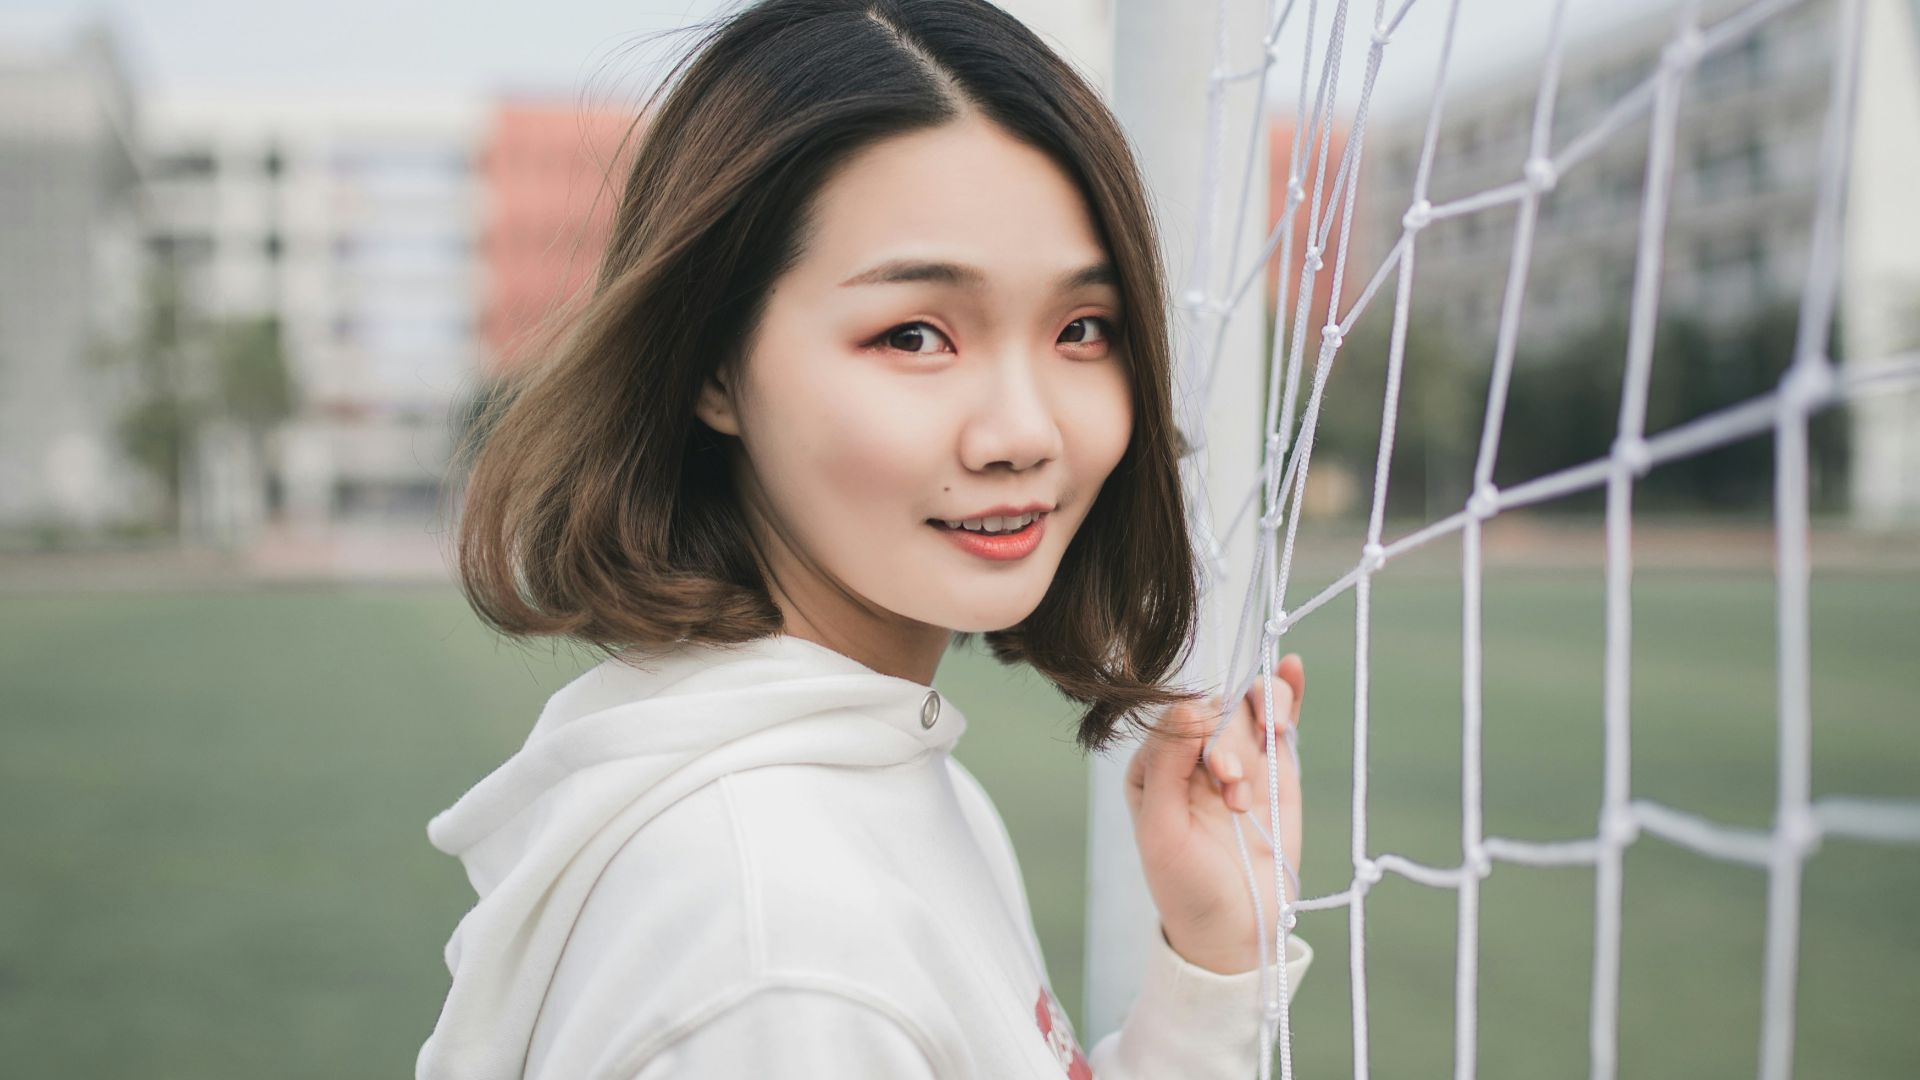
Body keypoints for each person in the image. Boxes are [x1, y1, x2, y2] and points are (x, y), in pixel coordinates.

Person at [417, 1, 1312, 1076]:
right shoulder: (778, 955)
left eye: (1082, 329)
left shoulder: (882, 777)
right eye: (915, 335)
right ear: (713, 365)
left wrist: (1215, 969)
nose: (1024, 432)